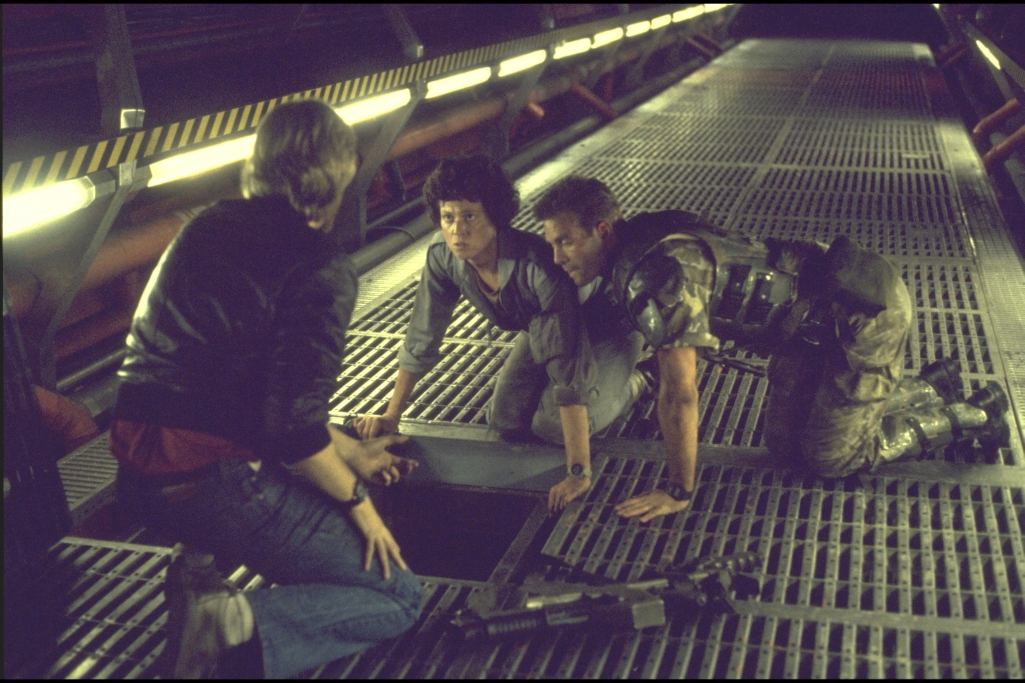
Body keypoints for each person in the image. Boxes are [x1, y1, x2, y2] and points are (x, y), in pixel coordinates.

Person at [110, 100, 424, 679]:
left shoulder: (204, 226)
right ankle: (227, 620)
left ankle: (199, 574)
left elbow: (239, 395)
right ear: (339, 174)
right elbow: (293, 434)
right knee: (399, 595)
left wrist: (349, 449)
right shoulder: (321, 265)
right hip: (211, 482)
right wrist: (360, 504)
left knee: (317, 484)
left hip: (136, 473)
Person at [534, 176, 1009, 522]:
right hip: (806, 332)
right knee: (785, 447)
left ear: (602, 231)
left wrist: (679, 490)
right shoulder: (641, 238)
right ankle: (931, 385)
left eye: (565, 242)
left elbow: (680, 394)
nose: (557, 257)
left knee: (831, 458)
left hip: (864, 316)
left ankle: (974, 415)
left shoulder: (655, 276)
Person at [353, 155, 600, 513]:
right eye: (447, 217)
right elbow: (422, 336)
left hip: (598, 325)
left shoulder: (538, 268)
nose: (457, 230)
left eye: (469, 216)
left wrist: (578, 471)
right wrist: (391, 416)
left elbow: (568, 367)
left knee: (551, 427)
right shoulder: (443, 256)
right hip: (541, 328)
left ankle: (639, 377)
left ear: (495, 217)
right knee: (504, 419)